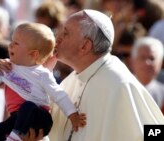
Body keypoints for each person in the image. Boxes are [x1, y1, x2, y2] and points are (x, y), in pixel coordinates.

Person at [49, 9, 164, 141]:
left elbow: (155, 132)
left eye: (65, 33)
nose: (57, 38)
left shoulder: (120, 84)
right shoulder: (72, 79)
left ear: (85, 46)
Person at [0, 22, 86, 141]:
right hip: (17, 119)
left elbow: (59, 95)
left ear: (33, 54)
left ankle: (15, 137)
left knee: (27, 106)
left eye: (16, 43)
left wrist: (72, 115)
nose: (10, 45)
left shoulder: (42, 74)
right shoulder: (8, 66)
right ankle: (15, 136)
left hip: (39, 117)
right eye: (11, 41)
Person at [130, 37, 164, 110]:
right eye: (142, 58)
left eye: (152, 58)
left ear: (160, 63)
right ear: (133, 62)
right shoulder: (122, 88)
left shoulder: (162, 93)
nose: (147, 63)